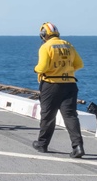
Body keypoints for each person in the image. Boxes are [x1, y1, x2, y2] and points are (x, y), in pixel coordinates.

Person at [32, 22, 85, 157]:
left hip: (51, 84)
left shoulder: (46, 47)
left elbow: (42, 67)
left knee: (48, 115)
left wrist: (36, 69)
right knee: (70, 115)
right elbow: (79, 64)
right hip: (70, 84)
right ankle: (78, 146)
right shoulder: (68, 45)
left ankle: (42, 144)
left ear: (43, 35)